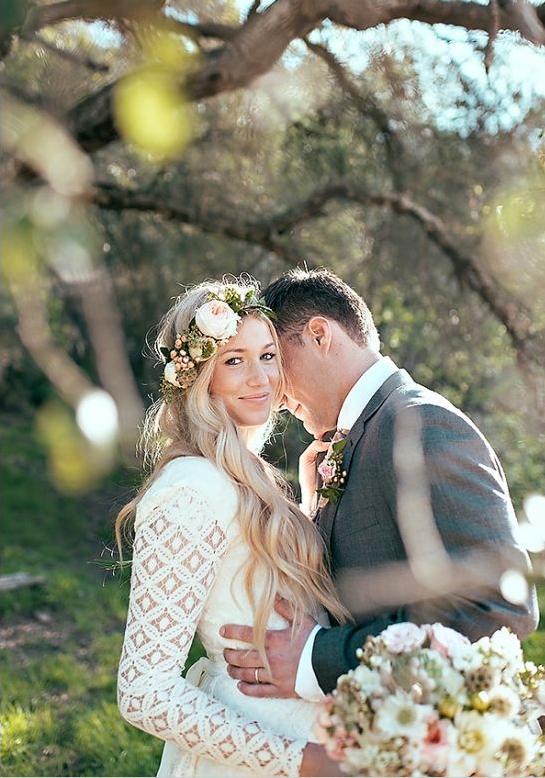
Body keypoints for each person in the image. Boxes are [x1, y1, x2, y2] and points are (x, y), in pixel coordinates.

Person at [221, 267, 539, 703]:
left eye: (274, 356)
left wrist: (319, 658)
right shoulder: (365, 433)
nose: (271, 389)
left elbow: (495, 608)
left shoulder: (421, 424)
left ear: (319, 335)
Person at [116, 276, 347, 778]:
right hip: (252, 751)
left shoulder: (249, 475)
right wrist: (302, 761)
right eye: (234, 360)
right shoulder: (192, 487)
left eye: (267, 356)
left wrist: (308, 506)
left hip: (307, 728)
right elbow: (144, 691)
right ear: (202, 376)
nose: (259, 378)